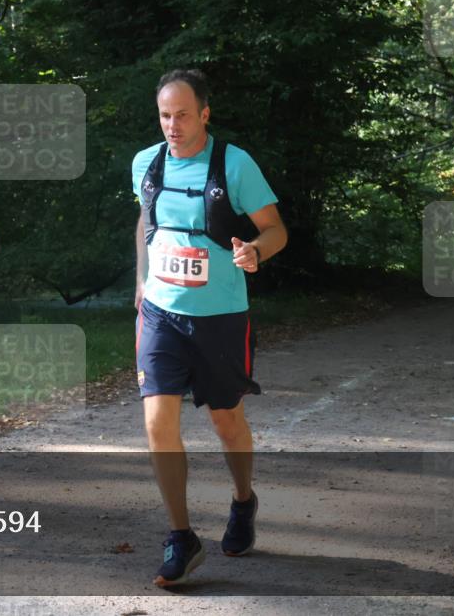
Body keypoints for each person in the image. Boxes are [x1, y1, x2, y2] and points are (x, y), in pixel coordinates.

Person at [131, 69, 287, 587]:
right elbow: (146, 220)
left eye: (182, 114)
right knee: (158, 422)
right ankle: (182, 536)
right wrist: (141, 281)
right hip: (161, 313)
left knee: (226, 421)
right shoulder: (146, 164)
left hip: (220, 316)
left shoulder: (234, 164)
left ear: (204, 113)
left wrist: (255, 251)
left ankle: (243, 501)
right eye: (164, 115)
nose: (172, 125)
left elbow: (275, 228)